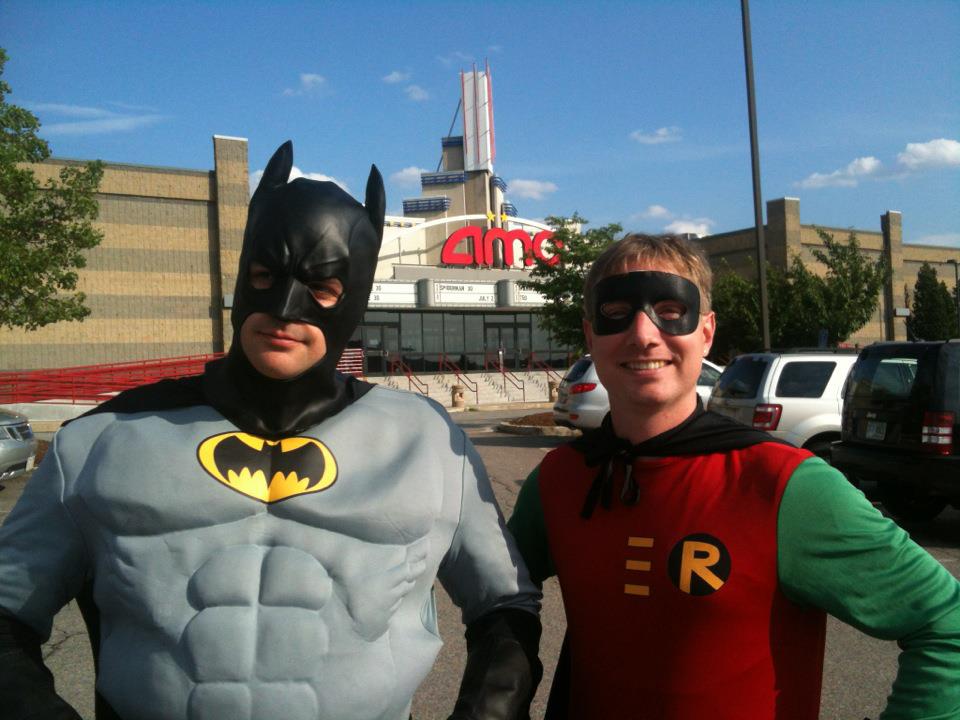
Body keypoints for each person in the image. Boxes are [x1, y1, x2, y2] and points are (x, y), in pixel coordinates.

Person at [0, 141, 541, 720]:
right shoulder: (103, 440)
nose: (286, 307)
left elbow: (505, 606)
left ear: (354, 298)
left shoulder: (426, 443)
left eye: (322, 287)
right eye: (265, 275)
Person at [507, 233, 960, 719]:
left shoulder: (782, 485)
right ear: (590, 334)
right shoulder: (560, 480)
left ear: (706, 332)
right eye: (616, 310)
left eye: (669, 308)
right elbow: (497, 604)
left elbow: (946, 623)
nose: (643, 334)